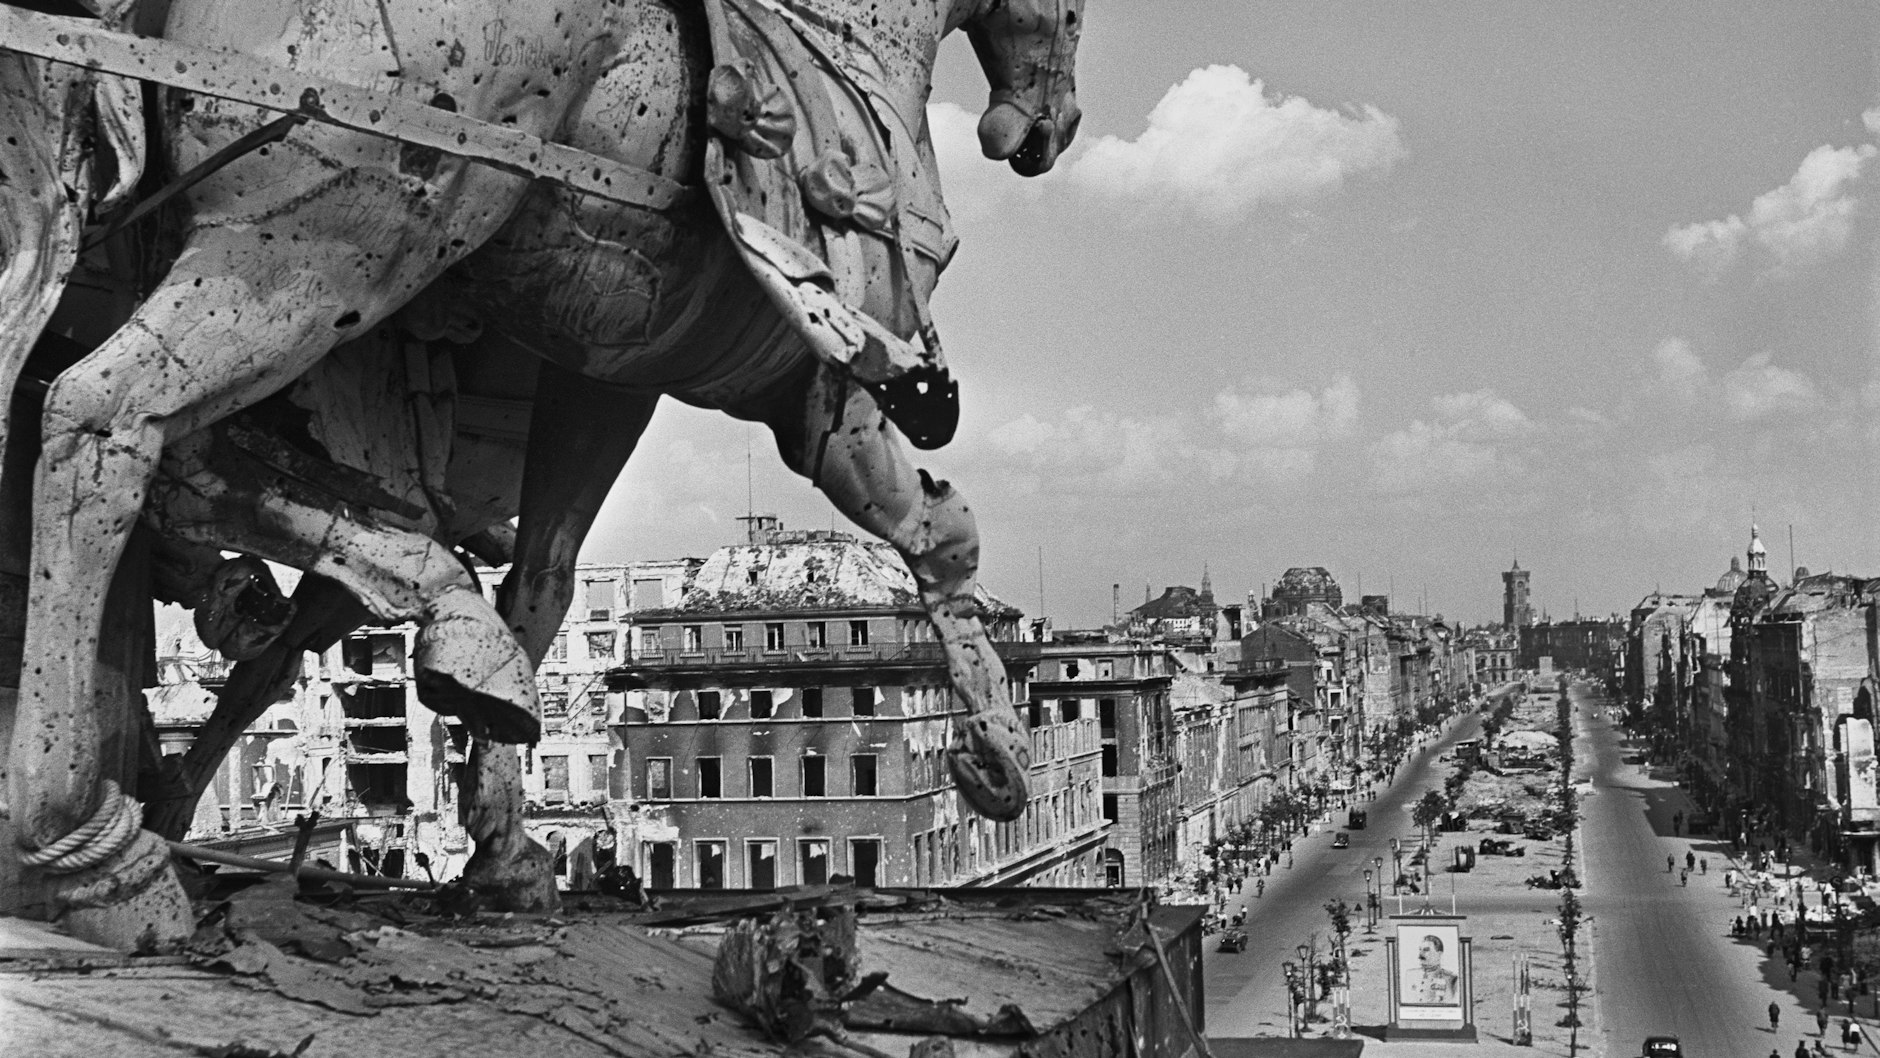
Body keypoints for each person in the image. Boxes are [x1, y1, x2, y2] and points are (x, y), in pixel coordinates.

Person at [1411, 934, 1459, 1004]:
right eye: (1420, 949)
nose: (1420, 955)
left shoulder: (1451, 978)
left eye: (1426, 950)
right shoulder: (1410, 975)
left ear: (1439, 954)